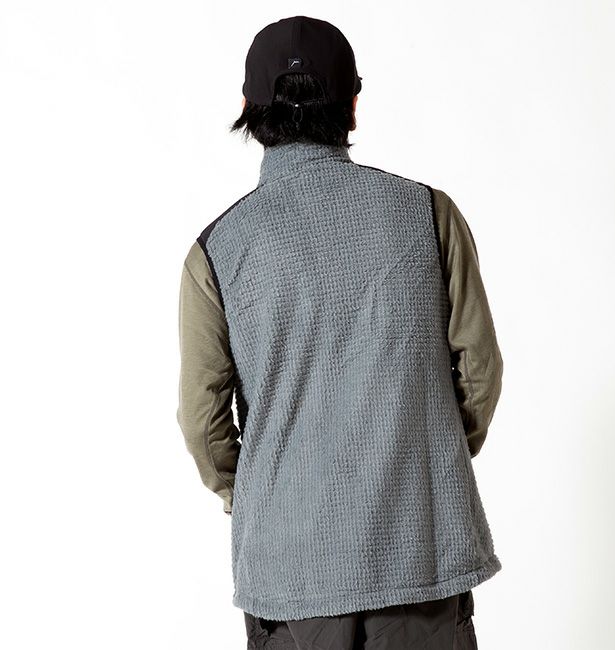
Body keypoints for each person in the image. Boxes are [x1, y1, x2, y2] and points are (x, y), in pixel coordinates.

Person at [176, 15, 503, 649]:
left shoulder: (215, 251)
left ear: (247, 107)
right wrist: (422, 457)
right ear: (353, 104)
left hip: (289, 578)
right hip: (422, 560)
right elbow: (481, 372)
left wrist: (262, 492)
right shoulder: (429, 215)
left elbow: (201, 419)